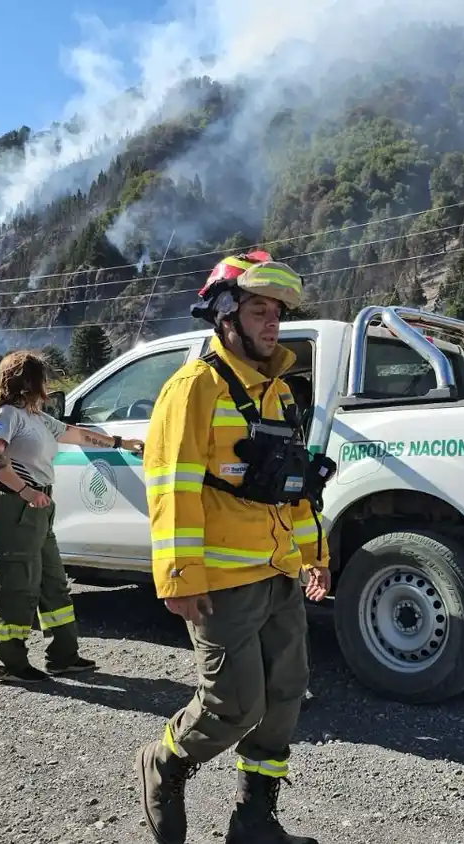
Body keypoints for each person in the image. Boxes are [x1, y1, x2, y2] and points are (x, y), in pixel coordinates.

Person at [134, 250, 333, 844]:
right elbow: (171, 485)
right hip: (222, 581)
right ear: (225, 316)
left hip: (278, 573)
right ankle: (165, 763)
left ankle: (254, 820)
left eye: (276, 311)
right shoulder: (193, 387)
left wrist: (314, 556)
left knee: (285, 696)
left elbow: (294, 488)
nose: (272, 322)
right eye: (257, 310)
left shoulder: (280, 392)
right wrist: (178, 576)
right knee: (233, 705)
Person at [0, 349, 144, 685]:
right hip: (14, 507)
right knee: (19, 588)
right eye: (42, 378)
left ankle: (63, 657)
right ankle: (10, 664)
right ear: (29, 381)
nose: (47, 385)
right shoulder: (7, 415)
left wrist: (121, 442)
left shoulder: (37, 418)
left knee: (53, 584)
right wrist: (26, 491)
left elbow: (75, 434)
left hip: (37, 509)